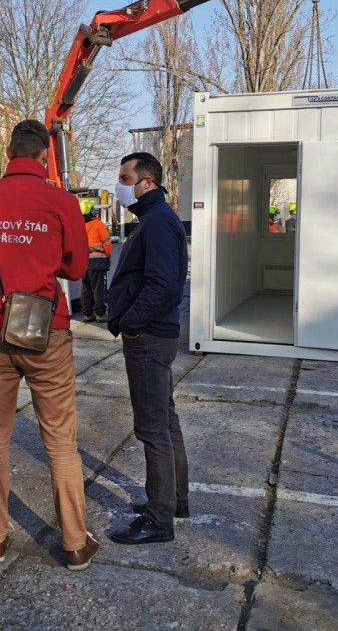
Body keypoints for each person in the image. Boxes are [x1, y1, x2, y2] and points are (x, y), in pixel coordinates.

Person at [0, 119, 99, 571]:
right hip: (47, 331)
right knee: (60, 442)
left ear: (8, 153)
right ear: (44, 156)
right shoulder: (61, 201)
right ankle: (75, 544)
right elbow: (76, 268)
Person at [107, 152, 189, 545]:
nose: (120, 185)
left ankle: (160, 520)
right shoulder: (155, 218)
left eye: (125, 178)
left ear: (147, 182)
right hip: (155, 334)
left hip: (149, 337)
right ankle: (174, 500)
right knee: (165, 420)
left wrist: (131, 323)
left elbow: (163, 285)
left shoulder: (157, 222)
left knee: (152, 428)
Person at [81, 199, 112, 323]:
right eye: (93, 209)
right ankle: (100, 313)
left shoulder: (79, 226)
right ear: (91, 212)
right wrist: (108, 256)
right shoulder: (99, 225)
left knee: (86, 288)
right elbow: (107, 244)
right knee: (99, 288)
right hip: (98, 262)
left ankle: (87, 314)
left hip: (84, 262)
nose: (95, 211)